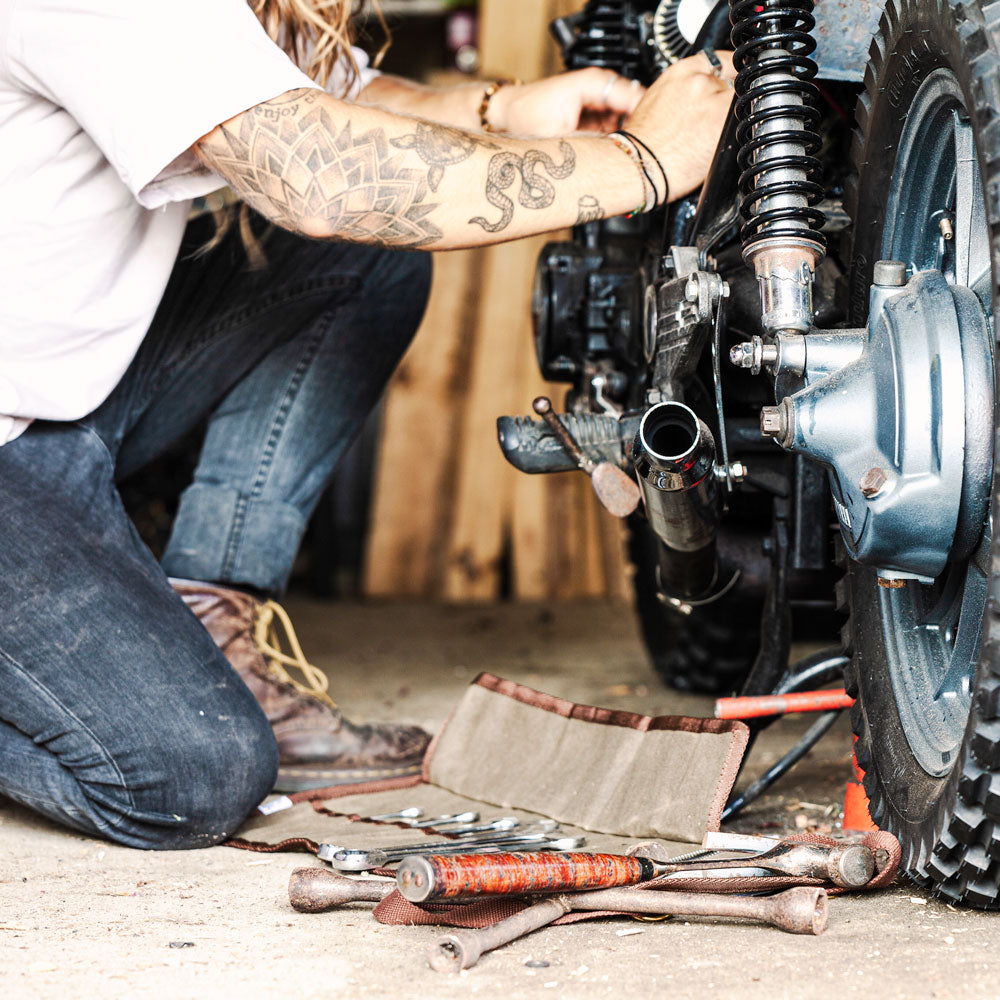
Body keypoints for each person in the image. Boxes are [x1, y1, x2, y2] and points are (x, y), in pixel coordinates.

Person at [0, 0, 734, 849]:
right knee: (188, 775)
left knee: (354, 264)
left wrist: (506, 109)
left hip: (61, 397)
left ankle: (216, 619)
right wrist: (643, 159)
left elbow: (319, 93)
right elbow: (323, 176)